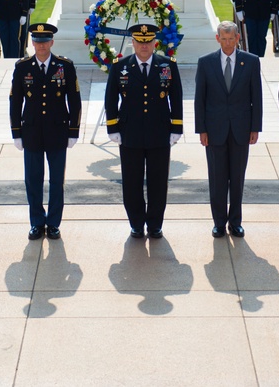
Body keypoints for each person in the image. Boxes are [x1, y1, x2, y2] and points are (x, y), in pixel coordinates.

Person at [105, 23, 183, 239]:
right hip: (130, 133)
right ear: (133, 43)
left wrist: (176, 127)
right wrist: (113, 127)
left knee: (158, 181)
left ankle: (156, 224)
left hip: (159, 132)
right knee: (132, 181)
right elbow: (111, 98)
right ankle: (137, 223)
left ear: (154, 43)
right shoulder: (120, 66)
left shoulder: (167, 66)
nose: (144, 46)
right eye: (140, 41)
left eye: (148, 42)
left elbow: (176, 97)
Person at [9, 24, 81, 240]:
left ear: (51, 42)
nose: (41, 46)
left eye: (45, 41)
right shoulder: (23, 67)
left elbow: (75, 100)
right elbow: (15, 101)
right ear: (32, 43)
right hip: (31, 131)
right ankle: (37, 222)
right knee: (33, 179)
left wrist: (73, 131)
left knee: (57, 180)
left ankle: (53, 223)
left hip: (57, 131)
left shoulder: (65, 66)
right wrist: (16, 132)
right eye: (37, 41)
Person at [194, 21, 263, 238]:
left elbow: (256, 98)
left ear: (237, 39)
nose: (227, 43)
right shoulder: (206, 63)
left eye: (231, 38)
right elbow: (200, 100)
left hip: (241, 129)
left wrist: (255, 127)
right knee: (217, 178)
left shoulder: (250, 62)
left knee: (237, 178)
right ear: (217, 39)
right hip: (214, 131)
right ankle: (218, 222)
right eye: (223, 39)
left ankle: (235, 222)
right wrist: (201, 130)